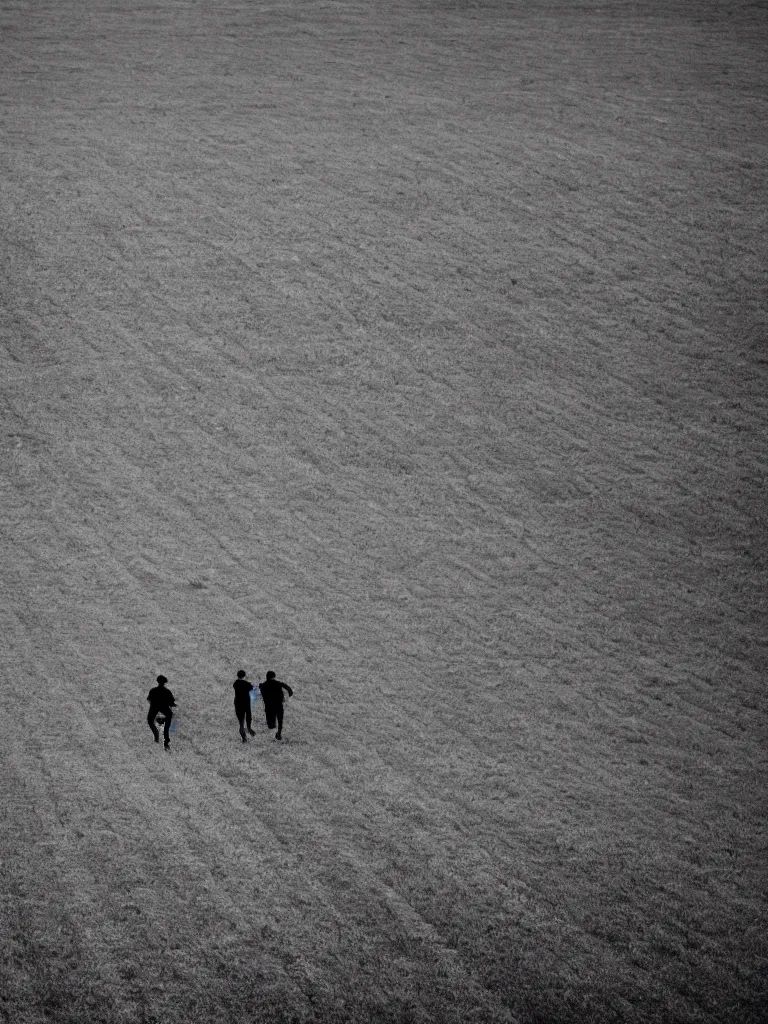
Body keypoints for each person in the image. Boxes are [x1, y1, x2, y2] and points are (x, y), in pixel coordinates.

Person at [258, 670, 293, 740]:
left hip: (269, 706)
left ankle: (272, 727)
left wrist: (260, 686)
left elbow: (263, 694)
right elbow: (289, 689)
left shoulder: (264, 685)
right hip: (278, 704)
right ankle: (279, 732)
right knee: (280, 719)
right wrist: (289, 693)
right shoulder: (278, 683)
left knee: (271, 723)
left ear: (267, 677)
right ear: (274, 677)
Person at [147, 675, 176, 749]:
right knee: (169, 719)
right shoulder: (167, 691)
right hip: (164, 709)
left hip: (154, 708)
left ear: (158, 681)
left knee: (150, 721)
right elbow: (172, 703)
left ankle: (156, 736)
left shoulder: (153, 690)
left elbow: (149, 699)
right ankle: (166, 739)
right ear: (164, 683)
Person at [233, 669, 256, 743]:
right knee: (248, 716)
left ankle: (244, 738)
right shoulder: (247, 684)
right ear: (244, 676)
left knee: (241, 722)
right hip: (246, 703)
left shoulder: (235, 684)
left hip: (238, 704)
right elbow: (252, 688)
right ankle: (249, 728)